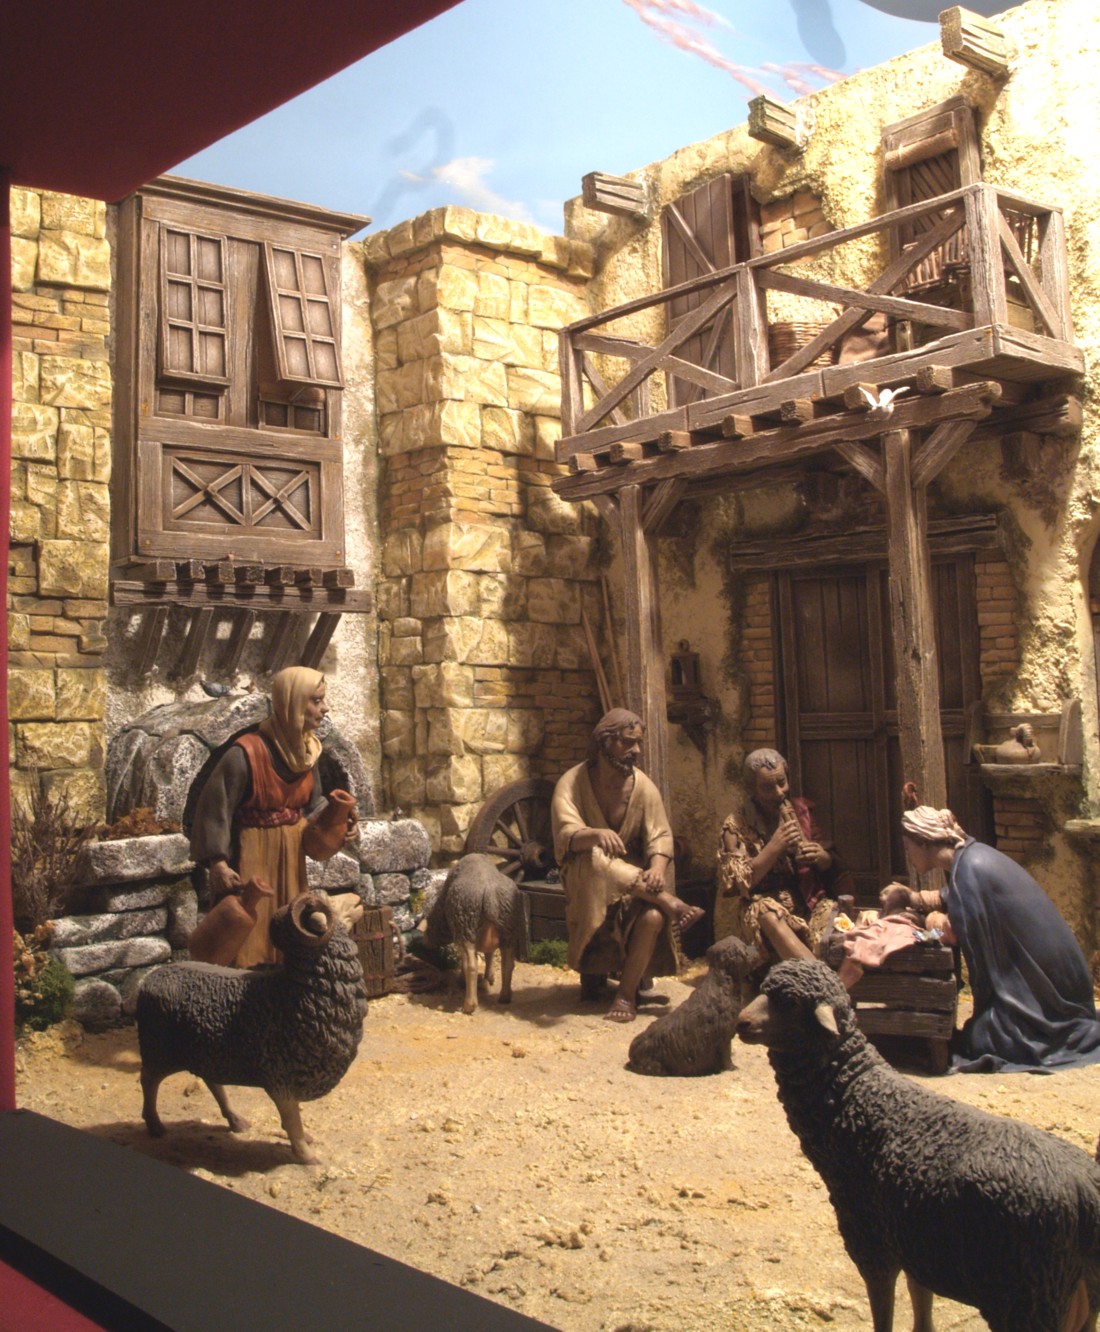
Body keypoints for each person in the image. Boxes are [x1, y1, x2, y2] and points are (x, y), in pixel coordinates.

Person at [894, 805, 1100, 1073]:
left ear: (923, 842)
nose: (907, 854)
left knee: (980, 1040)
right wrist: (914, 898)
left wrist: (922, 926)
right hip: (1058, 985)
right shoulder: (973, 857)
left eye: (907, 846)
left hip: (1046, 997)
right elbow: (959, 897)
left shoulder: (971, 868)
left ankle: (1048, 1031)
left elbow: (952, 933)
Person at [551, 709, 703, 1023]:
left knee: (652, 917)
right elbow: (565, 836)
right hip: (588, 881)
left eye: (638, 743)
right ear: (605, 742)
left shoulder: (642, 787)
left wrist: (657, 869)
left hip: (636, 888)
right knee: (596, 859)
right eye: (627, 742)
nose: (636, 751)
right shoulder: (573, 783)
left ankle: (626, 994)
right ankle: (670, 902)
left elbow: (660, 835)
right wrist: (595, 834)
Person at [190, 666, 344, 967]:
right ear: (293, 704)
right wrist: (218, 862)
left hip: (291, 856)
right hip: (253, 852)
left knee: (291, 920)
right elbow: (216, 808)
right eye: (316, 701)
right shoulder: (245, 754)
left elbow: (313, 807)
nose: (325, 708)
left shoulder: (308, 753)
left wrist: (338, 824)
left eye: (323, 700)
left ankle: (287, 980)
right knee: (252, 928)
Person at [714, 748, 845, 968]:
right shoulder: (735, 826)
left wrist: (822, 857)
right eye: (767, 788)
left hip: (805, 900)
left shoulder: (801, 812)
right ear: (752, 789)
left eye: (782, 782)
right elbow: (737, 884)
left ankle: (820, 971)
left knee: (833, 917)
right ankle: (819, 978)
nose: (778, 793)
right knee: (767, 913)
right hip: (763, 906)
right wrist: (774, 846)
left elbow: (830, 862)